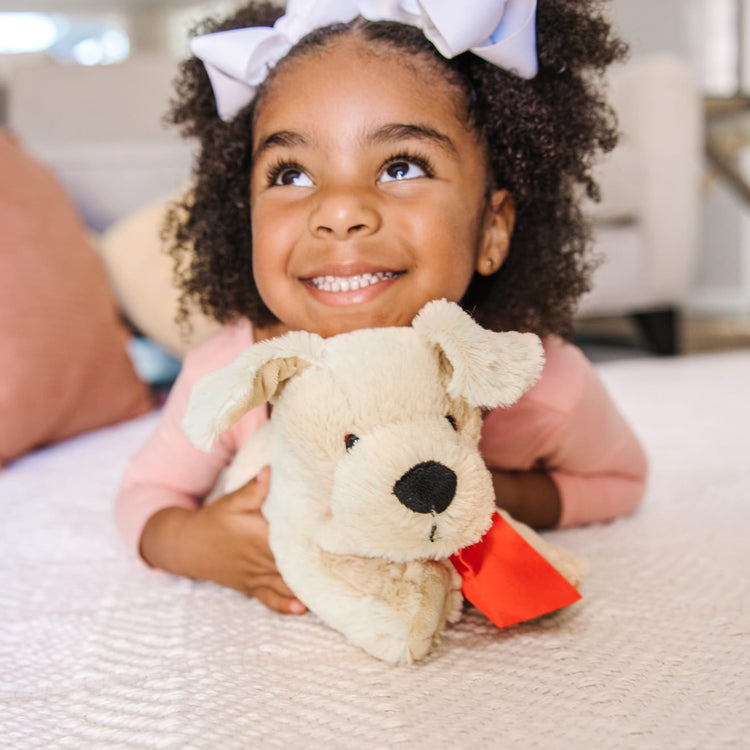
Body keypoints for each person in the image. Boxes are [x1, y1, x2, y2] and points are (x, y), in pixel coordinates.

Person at [115, 0, 647, 616]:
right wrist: (187, 541)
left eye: (401, 166)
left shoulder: (538, 380)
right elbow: (143, 492)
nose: (340, 210)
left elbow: (622, 480)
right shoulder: (240, 371)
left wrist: (499, 496)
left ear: (492, 229)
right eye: (291, 175)